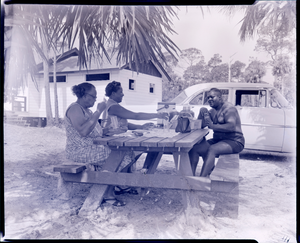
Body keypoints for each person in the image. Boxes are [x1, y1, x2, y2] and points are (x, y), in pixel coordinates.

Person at [64, 82, 134, 207]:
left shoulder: (88, 111)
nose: (95, 99)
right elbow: (83, 131)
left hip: (91, 147)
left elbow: (95, 131)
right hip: (79, 150)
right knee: (116, 156)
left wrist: (108, 130)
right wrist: (98, 111)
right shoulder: (75, 108)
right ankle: (107, 194)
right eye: (93, 96)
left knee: (127, 152)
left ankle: (112, 188)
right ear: (84, 95)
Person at [102, 81, 169, 176]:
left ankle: (136, 173)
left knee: (150, 145)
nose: (123, 94)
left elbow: (123, 124)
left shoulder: (111, 105)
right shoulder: (113, 107)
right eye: (121, 92)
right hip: (114, 141)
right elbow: (136, 116)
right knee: (147, 146)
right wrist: (158, 115)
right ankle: (127, 175)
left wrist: (141, 127)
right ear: (113, 93)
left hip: (116, 138)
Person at [188, 88, 245, 177]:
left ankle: (201, 179)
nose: (209, 99)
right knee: (195, 148)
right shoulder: (212, 111)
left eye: (212, 97)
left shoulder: (229, 109)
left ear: (220, 98)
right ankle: (190, 177)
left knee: (212, 149)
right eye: (208, 98)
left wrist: (213, 126)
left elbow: (231, 127)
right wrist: (202, 113)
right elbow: (200, 126)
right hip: (218, 140)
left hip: (235, 141)